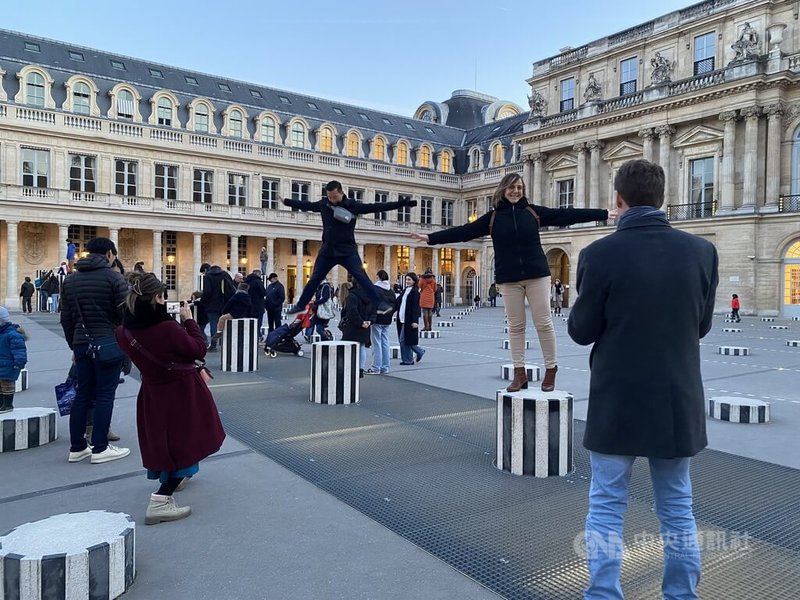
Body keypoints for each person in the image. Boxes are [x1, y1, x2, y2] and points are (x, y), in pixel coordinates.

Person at [568, 159, 718, 600]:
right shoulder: (701, 251)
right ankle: (680, 595)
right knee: (677, 507)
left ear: (618, 201)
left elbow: (581, 331)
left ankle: (603, 594)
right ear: (662, 198)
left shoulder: (598, 254)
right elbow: (702, 325)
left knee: (607, 505)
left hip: (617, 397)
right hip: (677, 396)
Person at [411, 172, 613, 393]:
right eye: (512, 187)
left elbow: (566, 215)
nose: (516, 191)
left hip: (537, 275)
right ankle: (520, 373)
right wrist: (431, 238)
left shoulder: (533, 212)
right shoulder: (493, 218)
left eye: (519, 187)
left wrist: (603, 213)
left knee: (544, 323)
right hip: (509, 279)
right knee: (516, 327)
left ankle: (551, 370)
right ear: (503, 190)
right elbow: (464, 232)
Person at [116, 272, 225, 525]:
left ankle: (172, 477)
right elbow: (198, 349)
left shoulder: (123, 332)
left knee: (165, 440)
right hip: (181, 390)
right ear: (157, 297)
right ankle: (161, 500)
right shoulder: (167, 328)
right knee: (189, 438)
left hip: (152, 391)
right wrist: (189, 321)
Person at [281, 180, 415, 315]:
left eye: (334, 196)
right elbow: (306, 205)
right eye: (329, 197)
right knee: (315, 278)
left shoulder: (353, 205)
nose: (332, 200)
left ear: (341, 193)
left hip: (347, 251)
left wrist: (402, 204)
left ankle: (379, 304)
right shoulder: (324, 204)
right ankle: (301, 304)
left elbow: (376, 207)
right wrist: (286, 201)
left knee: (362, 277)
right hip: (328, 250)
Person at [60, 237, 130, 464]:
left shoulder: (70, 280)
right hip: (107, 343)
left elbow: (66, 318)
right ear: (109, 254)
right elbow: (125, 316)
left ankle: (77, 447)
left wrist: (74, 344)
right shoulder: (114, 278)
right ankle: (100, 447)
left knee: (82, 394)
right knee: (104, 395)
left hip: (82, 343)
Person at [338, 280, 376, 378]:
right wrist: (369, 321)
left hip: (353, 326)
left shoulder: (352, 296)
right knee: (362, 347)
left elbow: (352, 312)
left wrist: (360, 322)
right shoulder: (370, 296)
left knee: (349, 347)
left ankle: (350, 368)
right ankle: (360, 369)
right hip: (366, 325)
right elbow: (374, 310)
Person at [366, 270, 397, 375]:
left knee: (376, 344)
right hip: (387, 319)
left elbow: (371, 304)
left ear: (378, 277)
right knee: (385, 342)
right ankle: (385, 367)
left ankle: (376, 367)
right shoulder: (391, 291)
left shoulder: (375, 289)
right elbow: (394, 305)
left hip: (377, 318)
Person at [201, 264, 235, 351]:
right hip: (225, 304)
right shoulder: (225, 274)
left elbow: (207, 292)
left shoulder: (208, 276)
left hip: (212, 304)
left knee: (214, 324)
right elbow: (231, 289)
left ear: (206, 270)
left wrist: (203, 300)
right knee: (224, 323)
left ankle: (213, 345)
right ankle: (225, 343)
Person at [0, 306, 27, 413]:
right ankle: (2, 403)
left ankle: (7, 405)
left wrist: (19, 363)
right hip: (2, 363)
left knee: (7, 385)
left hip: (9, 365)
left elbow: (19, 350)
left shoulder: (12, 334)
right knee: (1, 386)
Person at [395, 272, 425, 365]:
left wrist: (415, 321)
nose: (407, 281)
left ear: (414, 281)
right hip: (401, 318)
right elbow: (398, 303)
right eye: (406, 279)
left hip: (409, 319)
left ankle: (408, 360)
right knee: (407, 340)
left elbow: (416, 307)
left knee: (403, 339)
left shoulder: (415, 292)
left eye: (409, 280)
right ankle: (419, 352)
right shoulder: (405, 290)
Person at [245, 269, 268, 338]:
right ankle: (256, 337)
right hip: (258, 306)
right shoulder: (258, 281)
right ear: (258, 274)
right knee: (258, 323)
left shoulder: (246, 281)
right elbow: (264, 293)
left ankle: (250, 337)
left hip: (248, 305)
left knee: (249, 323)